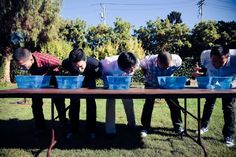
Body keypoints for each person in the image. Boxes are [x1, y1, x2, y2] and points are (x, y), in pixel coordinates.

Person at [13, 48, 66, 136]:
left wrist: (47, 73)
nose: (21, 68)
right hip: (38, 83)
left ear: (31, 59)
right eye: (20, 66)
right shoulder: (28, 62)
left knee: (59, 102)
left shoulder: (45, 59)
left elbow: (60, 63)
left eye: (23, 65)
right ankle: (41, 128)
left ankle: (63, 124)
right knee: (36, 105)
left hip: (54, 82)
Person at [193, 45, 236, 147]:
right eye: (214, 61)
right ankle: (204, 126)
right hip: (212, 83)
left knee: (228, 108)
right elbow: (205, 70)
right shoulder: (205, 56)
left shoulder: (235, 59)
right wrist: (199, 73)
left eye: (220, 62)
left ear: (228, 57)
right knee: (209, 104)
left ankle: (229, 135)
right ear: (210, 57)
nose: (217, 64)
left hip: (230, 84)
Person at [140, 51, 183, 137]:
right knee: (148, 104)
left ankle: (178, 127)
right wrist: (147, 75)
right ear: (157, 61)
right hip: (151, 83)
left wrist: (168, 75)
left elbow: (175, 68)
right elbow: (142, 67)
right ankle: (145, 127)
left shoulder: (177, 60)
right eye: (163, 67)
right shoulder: (147, 61)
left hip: (167, 83)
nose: (166, 69)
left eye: (168, 67)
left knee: (174, 104)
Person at [62, 48, 102, 139]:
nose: (79, 69)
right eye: (75, 66)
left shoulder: (94, 64)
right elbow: (64, 68)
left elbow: (99, 74)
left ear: (85, 60)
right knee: (74, 103)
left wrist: (88, 79)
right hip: (75, 81)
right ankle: (73, 129)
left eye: (81, 66)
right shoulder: (66, 63)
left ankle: (91, 130)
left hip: (90, 79)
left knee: (91, 103)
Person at [100, 52, 139, 138]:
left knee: (129, 101)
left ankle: (132, 125)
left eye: (132, 68)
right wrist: (109, 84)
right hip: (110, 83)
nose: (132, 71)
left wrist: (129, 73)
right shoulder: (106, 65)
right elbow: (101, 75)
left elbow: (134, 68)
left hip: (124, 84)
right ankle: (110, 130)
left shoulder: (135, 61)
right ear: (121, 67)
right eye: (130, 69)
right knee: (110, 102)